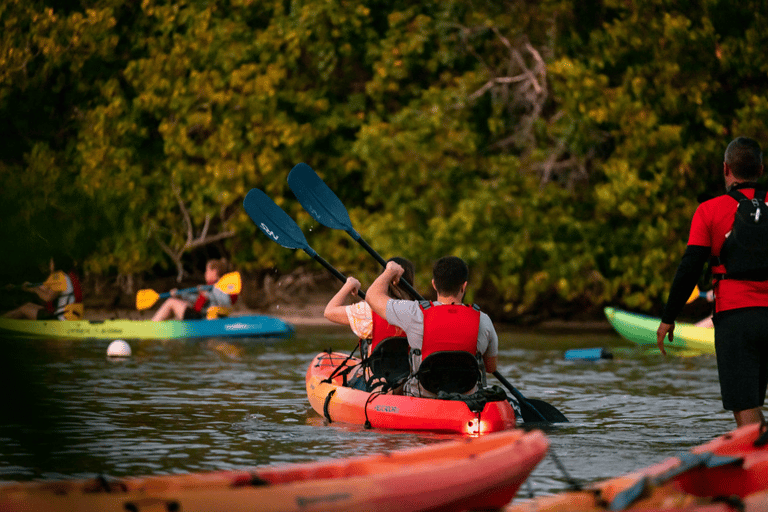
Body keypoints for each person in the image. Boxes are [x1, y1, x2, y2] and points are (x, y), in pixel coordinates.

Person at [657, 136, 768, 427]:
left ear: (725, 168)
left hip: (735, 318)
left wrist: (669, 317)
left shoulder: (709, 210)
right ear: (760, 168)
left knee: (746, 406)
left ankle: (759, 462)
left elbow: (690, 268)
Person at [366, 255, 498, 398]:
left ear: (434, 284)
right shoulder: (483, 320)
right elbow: (491, 367)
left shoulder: (414, 312)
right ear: (464, 286)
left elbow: (372, 296)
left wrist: (389, 271)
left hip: (422, 399)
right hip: (466, 401)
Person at [323, 257, 416, 391]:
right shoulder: (420, 310)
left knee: (355, 373)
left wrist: (348, 285)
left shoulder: (367, 311)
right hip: (409, 383)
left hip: (377, 385)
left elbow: (329, 312)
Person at [151, 258, 237, 321]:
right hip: (206, 317)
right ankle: (161, 327)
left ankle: (151, 327)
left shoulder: (217, 287)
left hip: (201, 320)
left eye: (207, 270)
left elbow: (225, 301)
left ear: (214, 271)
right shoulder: (221, 286)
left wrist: (205, 294)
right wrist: (179, 295)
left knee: (171, 302)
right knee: (182, 303)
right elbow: (197, 302)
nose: (205, 274)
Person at [2, 259, 83, 320]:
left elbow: (47, 297)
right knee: (28, 305)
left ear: (57, 264)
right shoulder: (68, 276)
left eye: (51, 262)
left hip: (62, 317)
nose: (50, 265)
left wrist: (33, 289)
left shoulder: (58, 276)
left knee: (23, 309)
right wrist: (21, 287)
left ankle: (3, 323)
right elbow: (43, 287)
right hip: (73, 314)